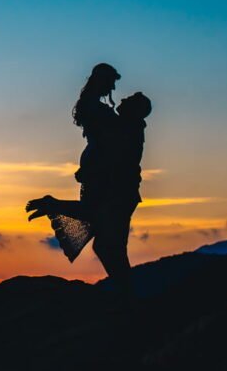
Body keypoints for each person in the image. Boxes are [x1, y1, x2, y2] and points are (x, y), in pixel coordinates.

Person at [25, 64, 152, 300]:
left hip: (116, 192)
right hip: (113, 190)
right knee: (108, 246)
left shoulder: (125, 127)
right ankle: (127, 298)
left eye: (131, 99)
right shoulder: (121, 123)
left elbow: (111, 153)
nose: (121, 95)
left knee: (109, 245)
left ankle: (128, 300)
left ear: (136, 110)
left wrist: (89, 172)